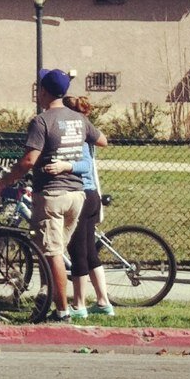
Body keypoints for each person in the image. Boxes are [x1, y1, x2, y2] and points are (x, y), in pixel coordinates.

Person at [0, 69, 106, 321]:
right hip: (77, 196)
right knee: (57, 252)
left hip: (52, 195)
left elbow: (28, 161)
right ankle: (54, 302)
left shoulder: (42, 121)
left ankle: (62, 312)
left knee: (52, 254)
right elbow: (102, 139)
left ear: (44, 91)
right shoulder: (78, 119)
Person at [42, 94, 113, 319]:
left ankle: (79, 304)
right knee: (90, 252)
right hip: (90, 194)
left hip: (83, 194)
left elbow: (84, 164)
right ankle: (103, 302)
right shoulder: (83, 129)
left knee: (77, 252)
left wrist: (65, 165)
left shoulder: (76, 137)